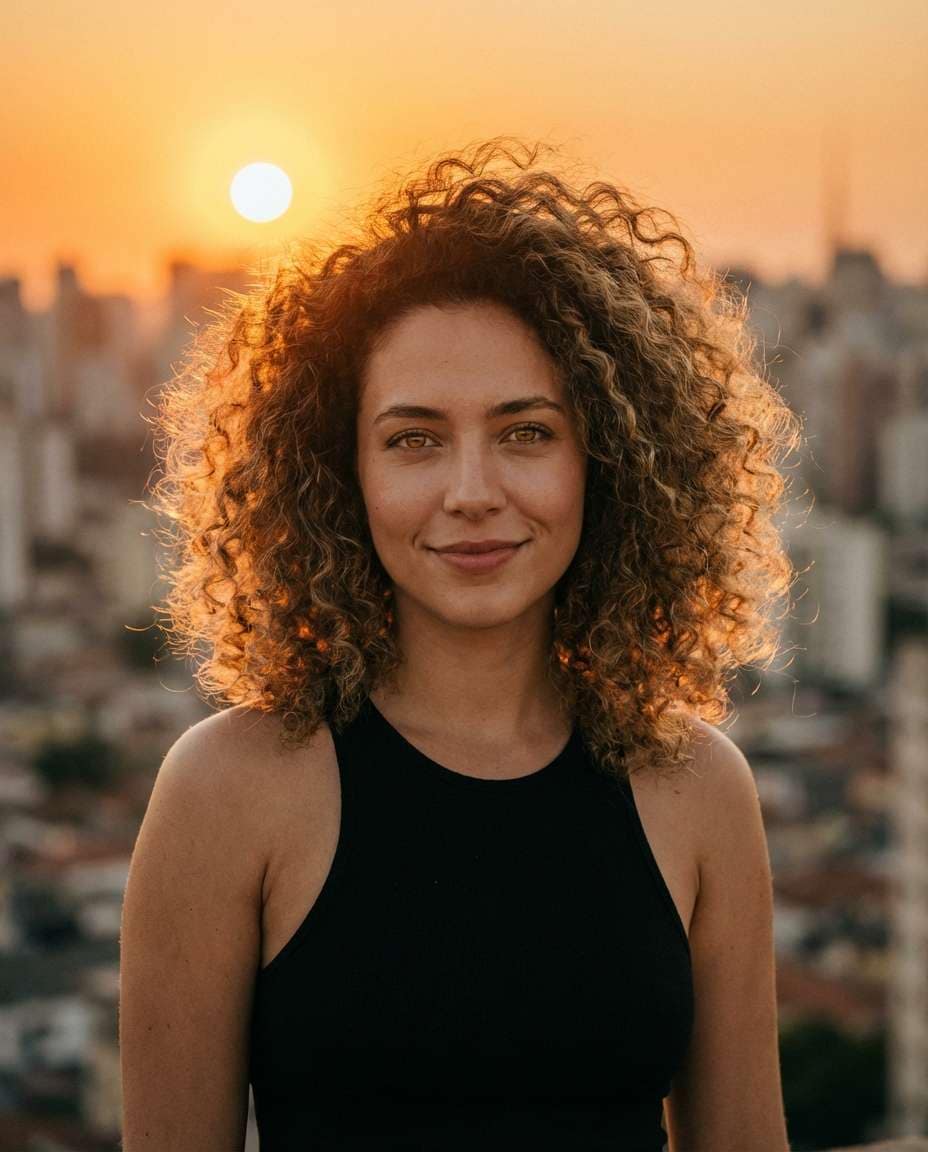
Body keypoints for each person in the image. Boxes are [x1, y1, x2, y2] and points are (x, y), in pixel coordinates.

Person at [119, 137, 799, 1151]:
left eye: (526, 431)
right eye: (413, 438)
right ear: (338, 473)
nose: (472, 491)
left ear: (602, 461)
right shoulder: (229, 791)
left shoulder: (697, 787)